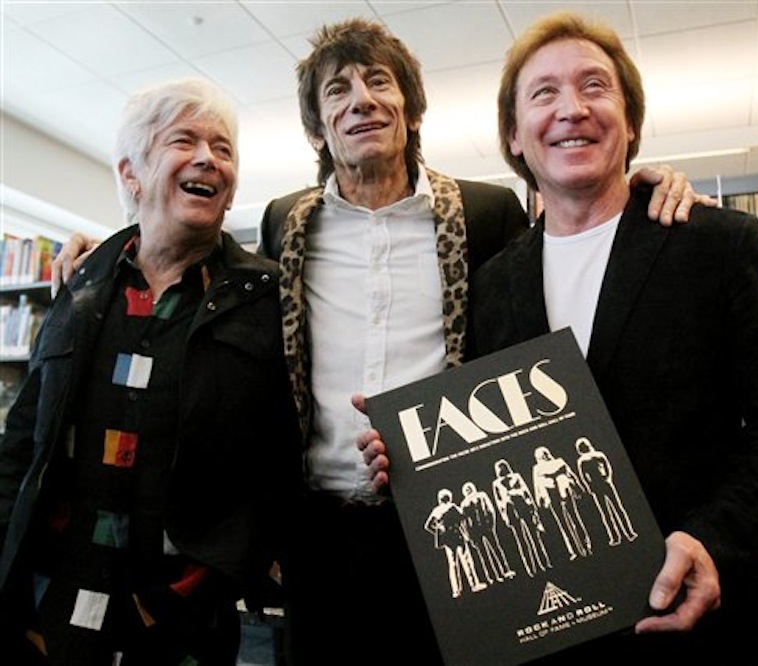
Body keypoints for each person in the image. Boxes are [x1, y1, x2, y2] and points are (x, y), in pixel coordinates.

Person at [51, 18, 708, 665]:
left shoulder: (485, 214)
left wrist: (644, 184)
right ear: (316, 127)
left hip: (452, 526)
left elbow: (563, 251)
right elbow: (207, 271)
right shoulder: (288, 222)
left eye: (378, 82)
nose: (360, 99)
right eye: (337, 90)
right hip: (316, 532)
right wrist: (110, 249)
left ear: (410, 111)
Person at [362, 11, 758, 664]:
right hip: (550, 640)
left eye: (595, 87)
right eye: (544, 93)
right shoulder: (493, 283)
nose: (571, 109)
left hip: (701, 630)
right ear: (514, 134)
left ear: (629, 120)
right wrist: (408, 457)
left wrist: (716, 540)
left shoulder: (718, 245)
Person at [0, 78, 302, 665]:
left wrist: (215, 574)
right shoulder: (82, 283)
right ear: (131, 173)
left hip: (180, 617)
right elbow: (24, 439)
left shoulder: (266, 297)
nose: (207, 159)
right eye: (184, 141)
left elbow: (280, 459)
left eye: (223, 148)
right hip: (52, 606)